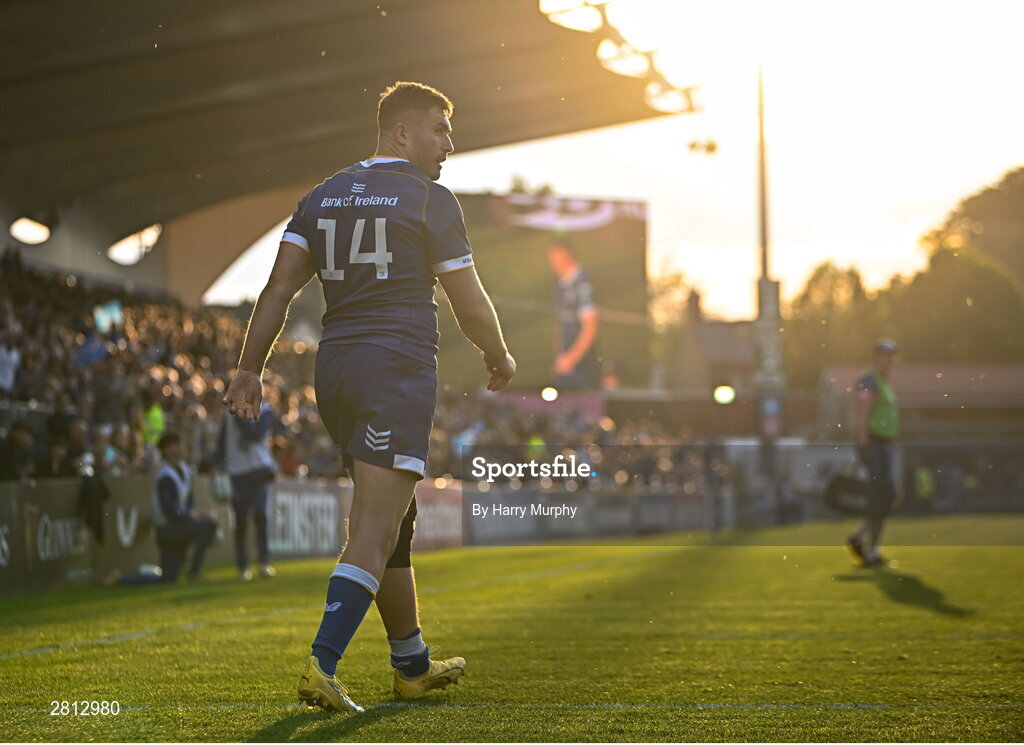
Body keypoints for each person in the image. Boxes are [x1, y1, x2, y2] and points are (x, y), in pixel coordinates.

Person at [223, 81, 515, 713]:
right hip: (396, 367)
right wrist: (499, 353)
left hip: (336, 372)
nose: (448, 142)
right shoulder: (429, 199)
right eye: (439, 129)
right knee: (376, 528)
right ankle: (321, 665)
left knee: (395, 521)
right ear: (401, 133)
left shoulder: (321, 197)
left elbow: (277, 291)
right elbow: (468, 298)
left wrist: (249, 368)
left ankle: (411, 665)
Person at [846, 337, 901, 567]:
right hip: (875, 445)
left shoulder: (883, 381)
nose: (890, 361)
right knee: (882, 497)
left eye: (891, 356)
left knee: (887, 498)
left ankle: (861, 539)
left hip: (884, 445)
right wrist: (863, 445)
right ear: (876, 357)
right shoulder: (870, 380)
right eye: (885, 356)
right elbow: (862, 412)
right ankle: (870, 550)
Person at [218, 398, 277, 580]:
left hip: (259, 469)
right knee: (241, 520)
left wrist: (239, 416)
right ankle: (242, 566)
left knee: (260, 515)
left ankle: (263, 562)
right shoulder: (229, 413)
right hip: (238, 472)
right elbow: (222, 440)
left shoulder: (265, 409)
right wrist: (217, 464)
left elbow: (255, 434)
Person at [547, 240, 599, 389]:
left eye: (555, 259)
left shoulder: (583, 283)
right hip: (564, 363)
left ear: (566, 256)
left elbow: (591, 325)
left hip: (581, 365)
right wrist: (558, 358)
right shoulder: (560, 283)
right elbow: (560, 325)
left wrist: (572, 358)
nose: (553, 264)